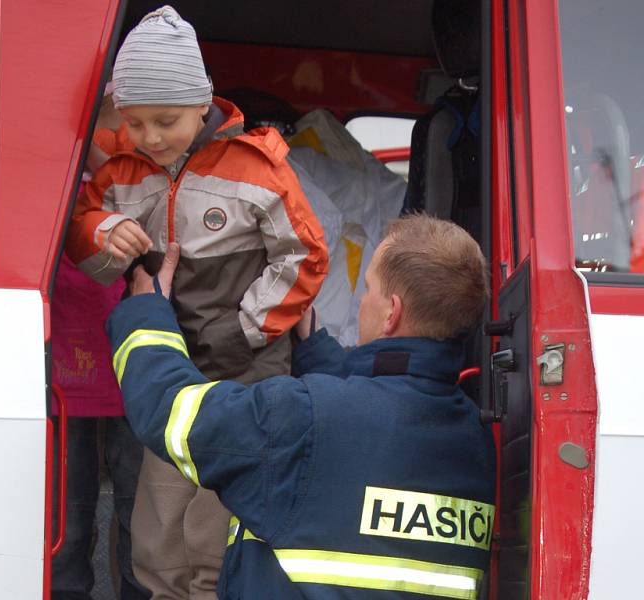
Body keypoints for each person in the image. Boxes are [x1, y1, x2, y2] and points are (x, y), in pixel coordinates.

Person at [64, 6, 328, 598]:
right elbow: (79, 233)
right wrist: (104, 230)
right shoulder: (123, 173)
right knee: (156, 534)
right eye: (134, 124)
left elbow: (305, 257)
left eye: (166, 121)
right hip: (170, 379)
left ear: (204, 103)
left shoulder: (258, 167)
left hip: (246, 380)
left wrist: (244, 330)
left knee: (217, 534)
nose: (150, 138)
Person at [108, 214, 496, 599]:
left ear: (391, 313)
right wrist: (315, 349)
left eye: (368, 290)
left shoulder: (299, 418)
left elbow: (171, 409)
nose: (362, 302)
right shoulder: (476, 442)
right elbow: (376, 431)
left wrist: (146, 311)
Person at [50, 89, 148, 600]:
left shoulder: (145, 170)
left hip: (134, 353)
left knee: (140, 512)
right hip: (67, 355)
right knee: (68, 510)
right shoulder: (51, 175)